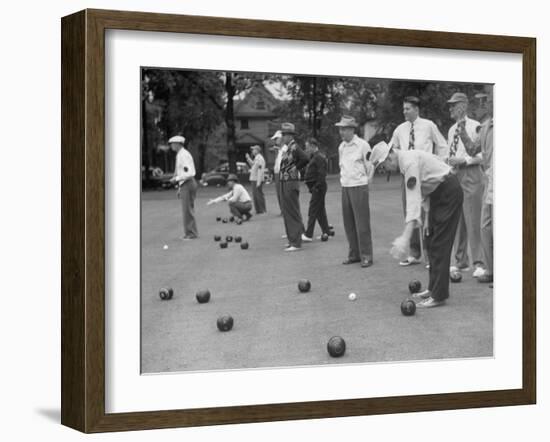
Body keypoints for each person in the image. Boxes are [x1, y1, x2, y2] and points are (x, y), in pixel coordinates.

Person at [370, 142, 464, 308]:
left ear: (390, 155)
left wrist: (405, 238)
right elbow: (424, 192)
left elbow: (412, 202)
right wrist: (427, 218)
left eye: (384, 165)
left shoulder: (409, 163)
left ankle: (438, 296)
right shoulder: (407, 161)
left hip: (448, 193)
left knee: (440, 244)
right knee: (430, 240)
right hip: (438, 194)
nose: (386, 169)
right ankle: (432, 288)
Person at [389, 96, 449, 267]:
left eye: (408, 108)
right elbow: (391, 149)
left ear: (416, 109)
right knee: (410, 211)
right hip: (408, 175)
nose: (404, 111)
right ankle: (415, 253)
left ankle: (430, 256)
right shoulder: (399, 129)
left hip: (427, 176)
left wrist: (440, 163)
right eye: (403, 108)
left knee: (428, 214)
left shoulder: (429, 125)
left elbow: (443, 145)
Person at [446, 92, 485, 277]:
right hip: (455, 176)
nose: (450, 108)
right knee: (458, 220)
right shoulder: (451, 129)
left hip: (471, 174)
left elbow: (482, 156)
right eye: (450, 105)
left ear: (463, 106)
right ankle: (460, 261)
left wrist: (464, 161)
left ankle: (479, 262)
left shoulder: (476, 126)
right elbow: (449, 153)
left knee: (474, 219)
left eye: (454, 105)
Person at [336, 116, 374, 268]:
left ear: (352, 129)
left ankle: (366, 256)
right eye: (340, 129)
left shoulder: (363, 145)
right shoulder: (341, 147)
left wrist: (366, 184)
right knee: (349, 223)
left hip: (359, 186)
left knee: (362, 223)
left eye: (344, 129)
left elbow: (370, 166)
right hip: (345, 186)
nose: (341, 132)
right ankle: (354, 254)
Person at [472, 93, 494, 284]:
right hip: (490, 180)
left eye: (480, 103)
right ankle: (491, 269)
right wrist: (462, 128)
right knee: (485, 227)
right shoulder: (485, 127)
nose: (477, 107)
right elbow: (472, 149)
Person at [279, 122, 309, 251]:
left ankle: (296, 242)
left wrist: (296, 168)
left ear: (290, 136)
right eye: (283, 134)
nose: (283, 137)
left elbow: (305, 158)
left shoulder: (295, 147)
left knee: (292, 211)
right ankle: (292, 239)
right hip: (285, 181)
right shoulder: (288, 147)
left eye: (285, 135)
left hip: (291, 182)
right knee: (287, 211)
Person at [169, 135, 198, 239]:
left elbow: (190, 173)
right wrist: (180, 187)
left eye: (172, 143)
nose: (171, 145)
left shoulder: (183, 155)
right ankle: (189, 233)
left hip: (188, 182)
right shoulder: (180, 154)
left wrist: (176, 179)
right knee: (187, 209)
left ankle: (191, 234)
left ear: (178, 144)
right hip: (185, 183)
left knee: (187, 210)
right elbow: (182, 172)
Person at [302, 137, 331, 242]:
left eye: (307, 147)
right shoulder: (314, 156)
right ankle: (326, 231)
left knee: (313, 210)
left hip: (318, 188)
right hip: (317, 187)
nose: (306, 149)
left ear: (313, 146)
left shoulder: (319, 157)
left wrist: (316, 187)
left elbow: (322, 174)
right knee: (319, 211)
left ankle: (308, 234)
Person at [246, 145, 266, 214]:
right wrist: (248, 158)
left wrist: (259, 181)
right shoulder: (256, 158)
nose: (252, 151)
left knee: (259, 195)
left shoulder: (260, 158)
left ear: (257, 150)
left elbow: (260, 170)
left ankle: (262, 210)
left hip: (257, 179)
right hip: (254, 179)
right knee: (255, 195)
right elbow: (253, 165)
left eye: (253, 149)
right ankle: (258, 210)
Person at [270, 130, 286, 215]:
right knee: (279, 193)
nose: (275, 141)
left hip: (282, 173)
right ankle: (283, 210)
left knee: (282, 193)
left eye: (276, 138)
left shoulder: (285, 149)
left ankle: (285, 210)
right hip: (277, 173)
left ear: (281, 138)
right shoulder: (279, 150)